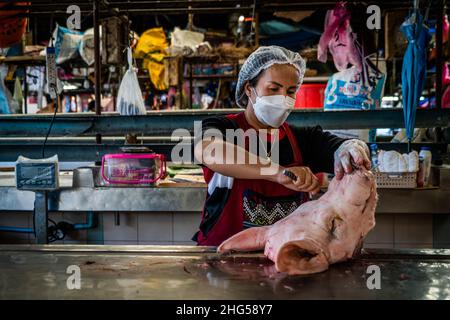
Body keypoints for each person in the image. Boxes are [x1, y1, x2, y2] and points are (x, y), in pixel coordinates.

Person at [192, 45, 371, 246]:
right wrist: (278, 173)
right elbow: (208, 150)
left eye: (291, 91)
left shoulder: (304, 138)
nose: (283, 98)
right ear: (249, 89)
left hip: (286, 259)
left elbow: (343, 148)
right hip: (222, 255)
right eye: (274, 89)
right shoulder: (222, 127)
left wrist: (351, 148)